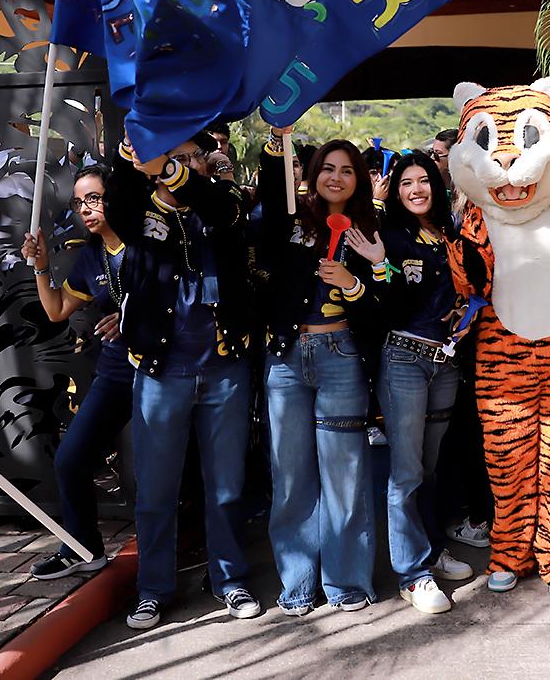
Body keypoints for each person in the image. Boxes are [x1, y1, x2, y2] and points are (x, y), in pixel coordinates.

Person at [113, 132, 260, 630]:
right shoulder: (138, 209)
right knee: (156, 492)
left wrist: (168, 166)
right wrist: (133, 151)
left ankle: (230, 579)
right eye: (176, 157)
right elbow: (120, 195)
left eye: (193, 157)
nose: (187, 165)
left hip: (224, 369)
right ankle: (153, 589)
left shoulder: (222, 203)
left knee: (227, 488)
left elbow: (220, 205)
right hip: (161, 373)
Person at [260, 133, 382, 615]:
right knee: (290, 475)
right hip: (287, 357)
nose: (336, 177)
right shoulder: (293, 220)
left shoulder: (372, 228)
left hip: (342, 356)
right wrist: (277, 141)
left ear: (359, 180)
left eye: (347, 170)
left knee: (344, 476)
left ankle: (346, 582)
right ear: (313, 176)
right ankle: (297, 584)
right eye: (328, 168)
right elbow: (271, 198)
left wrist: (353, 284)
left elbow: (386, 300)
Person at [348, 151, 472, 614]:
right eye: (406, 183)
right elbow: (386, 306)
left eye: (423, 180)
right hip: (404, 358)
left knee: (429, 467)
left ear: (436, 186)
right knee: (405, 471)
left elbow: (472, 286)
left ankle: (432, 548)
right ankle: (412, 574)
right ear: (396, 191)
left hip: (447, 362)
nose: (416, 189)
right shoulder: (388, 236)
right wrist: (381, 263)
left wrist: (466, 308)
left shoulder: (453, 233)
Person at [20, 163, 132, 580]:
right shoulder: (91, 256)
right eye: (79, 201)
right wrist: (41, 265)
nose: (85, 209)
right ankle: (83, 548)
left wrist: (131, 317)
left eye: (94, 199)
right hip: (116, 373)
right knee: (71, 458)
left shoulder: (146, 243)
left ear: (114, 199)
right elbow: (56, 310)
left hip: (163, 372)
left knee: (166, 468)